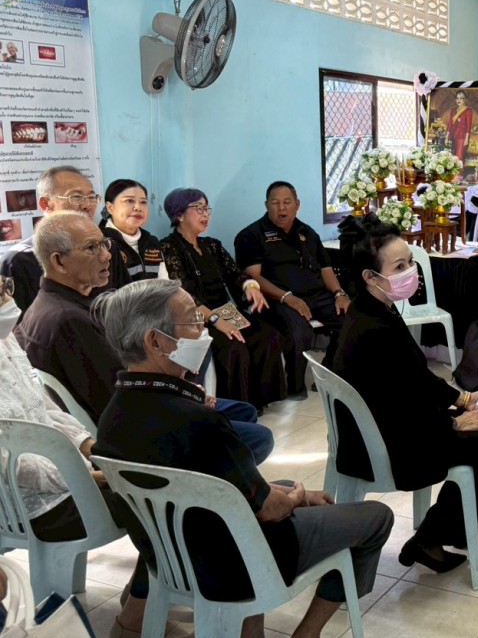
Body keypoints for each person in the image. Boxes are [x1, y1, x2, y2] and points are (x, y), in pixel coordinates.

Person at [93, 279, 394, 638]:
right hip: (234, 567)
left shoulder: (113, 418)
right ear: (155, 341)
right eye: (193, 322)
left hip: (171, 561)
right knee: (375, 517)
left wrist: (288, 494)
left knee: (279, 485)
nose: (203, 330)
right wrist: (298, 497)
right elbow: (269, 509)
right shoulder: (200, 421)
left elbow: (229, 489)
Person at [0, 273, 194, 638]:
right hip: (30, 503)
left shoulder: (6, 341)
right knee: (166, 499)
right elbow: (10, 462)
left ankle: (141, 596)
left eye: (4, 286)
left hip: (64, 478)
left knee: (167, 478)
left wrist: (91, 447)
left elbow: (43, 409)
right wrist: (85, 476)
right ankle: (136, 619)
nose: (8, 297)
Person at [333, 216, 478, 573]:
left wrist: (463, 401)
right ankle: (429, 539)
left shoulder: (374, 308)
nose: (410, 272)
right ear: (371, 276)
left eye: (410, 262)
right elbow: (399, 406)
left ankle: (474, 520)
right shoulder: (372, 329)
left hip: (391, 422)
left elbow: (413, 378)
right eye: (399, 267)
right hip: (385, 440)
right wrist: (453, 425)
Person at [14, 212, 274, 463]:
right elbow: (121, 399)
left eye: (104, 244)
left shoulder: (55, 303)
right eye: (92, 248)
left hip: (138, 401)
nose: (107, 255)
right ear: (59, 261)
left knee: (244, 411)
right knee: (259, 437)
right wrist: (186, 395)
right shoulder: (68, 321)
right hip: (134, 429)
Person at [161, 189, 289, 410]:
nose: (205, 214)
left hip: (227, 311)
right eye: (198, 208)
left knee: (268, 336)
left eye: (207, 208)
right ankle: (237, 405)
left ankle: (260, 400)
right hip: (198, 319)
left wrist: (250, 287)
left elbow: (236, 274)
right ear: (179, 214)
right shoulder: (169, 248)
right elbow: (183, 295)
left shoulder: (212, 245)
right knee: (234, 348)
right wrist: (215, 320)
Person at [235, 181, 350, 400]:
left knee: (350, 319)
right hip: (276, 299)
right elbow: (253, 277)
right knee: (299, 330)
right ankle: (296, 386)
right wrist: (287, 297)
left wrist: (339, 293)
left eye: (287, 202)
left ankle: (328, 374)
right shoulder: (251, 235)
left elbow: (325, 269)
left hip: (316, 295)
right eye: (275, 203)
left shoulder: (307, 232)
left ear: (297, 204)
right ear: (266, 205)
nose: (282, 208)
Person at [0, 165, 118, 318]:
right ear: (46, 204)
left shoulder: (107, 247)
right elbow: (14, 325)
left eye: (92, 197)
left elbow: (122, 302)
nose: (87, 205)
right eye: (76, 197)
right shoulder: (18, 260)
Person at [101, 178, 167, 287]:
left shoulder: (151, 242)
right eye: (129, 201)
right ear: (110, 207)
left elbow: (164, 283)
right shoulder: (101, 243)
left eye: (143, 202)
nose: (138, 207)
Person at [446, 90, 474, 160]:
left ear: (464, 100)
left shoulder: (468, 110)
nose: (459, 100)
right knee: (452, 157)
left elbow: (468, 126)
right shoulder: (453, 110)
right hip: (453, 136)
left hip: (462, 137)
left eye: (461, 98)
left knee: (459, 157)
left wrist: (466, 139)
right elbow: (449, 124)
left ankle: (460, 168)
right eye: (457, 98)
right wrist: (447, 137)